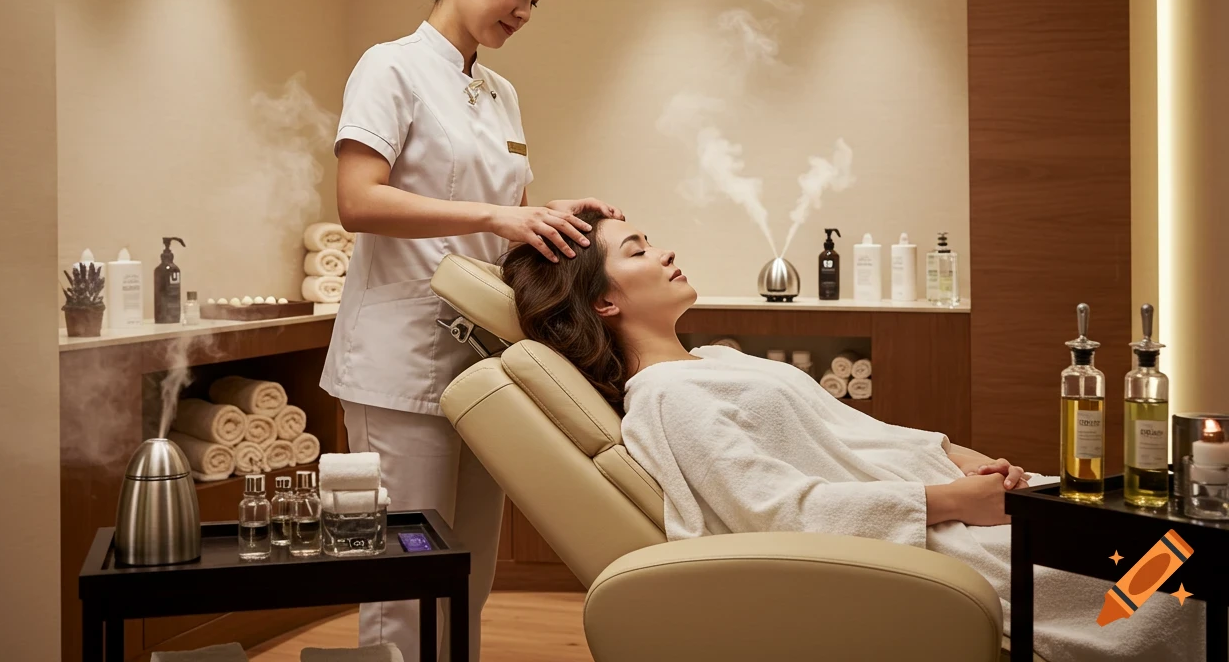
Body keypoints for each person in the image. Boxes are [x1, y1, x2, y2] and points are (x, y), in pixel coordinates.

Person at [500, 212, 1207, 662]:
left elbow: (857, 434)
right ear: (604, 300)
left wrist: (953, 454)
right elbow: (773, 511)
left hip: (961, 509)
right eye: (637, 249)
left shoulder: (715, 360)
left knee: (1177, 541)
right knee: (1179, 584)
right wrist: (946, 502)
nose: (665, 250)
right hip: (929, 546)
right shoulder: (665, 398)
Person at [321, 0, 623, 662]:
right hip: (403, 361)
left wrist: (547, 215)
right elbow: (358, 201)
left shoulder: (501, 94)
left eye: (537, 0)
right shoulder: (389, 66)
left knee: (468, 572)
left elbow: (505, 216)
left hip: (488, 365)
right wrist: (497, 217)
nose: (525, 10)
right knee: (405, 582)